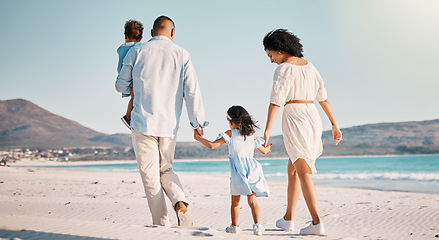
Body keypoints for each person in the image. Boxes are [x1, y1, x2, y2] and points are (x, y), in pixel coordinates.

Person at [115, 15, 208, 227]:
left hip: (142, 123)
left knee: (150, 178)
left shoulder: (136, 51)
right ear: (172, 33)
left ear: (151, 33)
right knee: (166, 170)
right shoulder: (182, 54)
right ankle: (180, 204)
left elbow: (120, 86)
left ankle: (161, 226)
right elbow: (192, 91)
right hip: (169, 126)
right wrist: (197, 122)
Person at [262, 29, 342, 236]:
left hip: (295, 116)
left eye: (271, 55)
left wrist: (267, 129)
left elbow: (275, 101)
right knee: (293, 168)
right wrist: (334, 123)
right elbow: (322, 97)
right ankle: (288, 218)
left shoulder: (283, 69)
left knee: (303, 169)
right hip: (312, 116)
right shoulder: (311, 67)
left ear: (280, 50)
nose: (271, 60)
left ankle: (317, 222)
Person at [194, 105, 272, 236]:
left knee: (235, 202)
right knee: (252, 201)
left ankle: (234, 227)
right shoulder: (251, 136)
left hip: (238, 173)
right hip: (252, 170)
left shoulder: (230, 134)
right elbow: (264, 151)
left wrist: (199, 138)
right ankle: (258, 226)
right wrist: (268, 147)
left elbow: (212, 145)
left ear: (231, 121)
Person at [117, 20, 143, 129]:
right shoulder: (140, 48)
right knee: (133, 98)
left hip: (124, 75)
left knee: (133, 97)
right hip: (134, 76)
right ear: (140, 38)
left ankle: (129, 116)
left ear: (125, 35)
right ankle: (128, 117)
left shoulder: (121, 48)